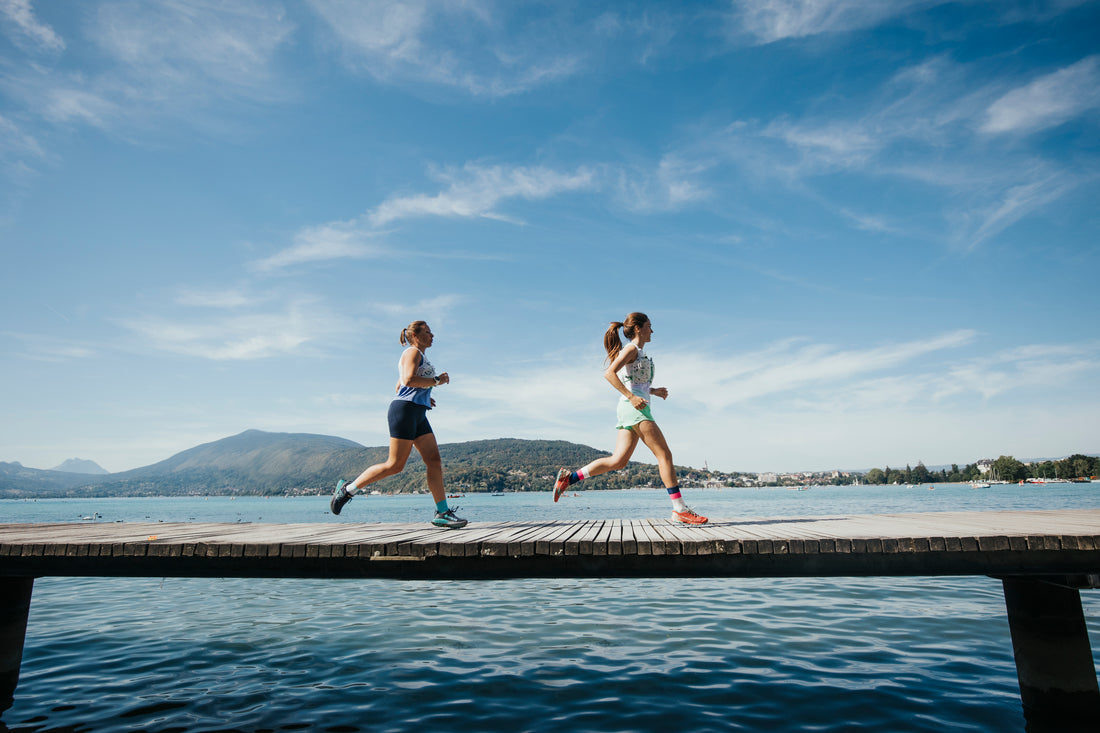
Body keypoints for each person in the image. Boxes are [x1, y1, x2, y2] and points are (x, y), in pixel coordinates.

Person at [553, 312, 708, 524]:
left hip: (631, 408)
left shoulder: (639, 353)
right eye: (649, 326)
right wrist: (631, 397)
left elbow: (635, 383)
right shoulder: (631, 349)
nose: (652, 331)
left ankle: (569, 478)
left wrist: (654, 391)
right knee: (664, 455)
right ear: (638, 328)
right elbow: (609, 374)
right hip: (634, 409)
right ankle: (679, 509)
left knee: (618, 461)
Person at [330, 321, 467, 529]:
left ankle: (442, 512)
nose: (433, 335)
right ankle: (348, 489)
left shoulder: (420, 355)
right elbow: (408, 379)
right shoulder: (412, 352)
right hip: (404, 412)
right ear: (415, 335)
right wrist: (436, 381)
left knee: (434, 461)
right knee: (395, 465)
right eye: (428, 332)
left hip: (417, 411)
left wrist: (423, 396)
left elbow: (400, 385)